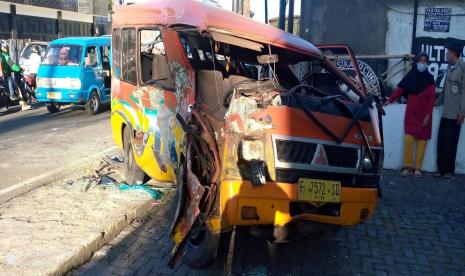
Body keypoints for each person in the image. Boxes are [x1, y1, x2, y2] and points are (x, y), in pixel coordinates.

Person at [385, 52, 436, 177]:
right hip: (412, 112)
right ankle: (407, 167)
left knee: (422, 141)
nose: (422, 63)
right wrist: (389, 100)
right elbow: (400, 90)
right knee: (409, 138)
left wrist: (428, 116)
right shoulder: (410, 76)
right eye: (421, 60)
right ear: (416, 61)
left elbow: (431, 99)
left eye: (425, 61)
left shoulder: (430, 79)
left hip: (425, 113)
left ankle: (417, 168)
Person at [434, 41, 465, 178]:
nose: (446, 54)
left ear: (453, 52)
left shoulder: (463, 67)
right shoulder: (449, 68)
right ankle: (441, 169)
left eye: (448, 52)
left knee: (451, 143)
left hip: (456, 114)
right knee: (442, 142)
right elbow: (445, 91)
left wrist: (463, 112)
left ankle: (448, 171)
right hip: (445, 112)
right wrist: (435, 103)